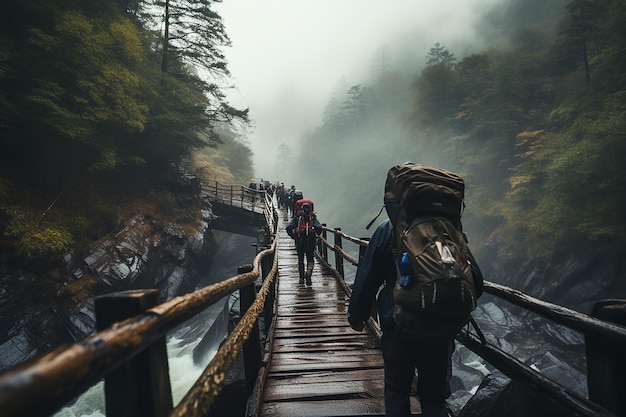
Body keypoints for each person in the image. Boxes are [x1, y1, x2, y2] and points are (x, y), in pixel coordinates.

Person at [347, 200, 484, 417]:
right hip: (440, 329)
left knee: (397, 391)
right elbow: (476, 282)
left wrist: (357, 315)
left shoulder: (387, 229)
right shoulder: (448, 229)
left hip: (398, 323)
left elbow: (368, 277)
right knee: (433, 397)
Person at [286, 201, 322, 285]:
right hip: (311, 242)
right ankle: (308, 273)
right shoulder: (313, 218)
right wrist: (313, 231)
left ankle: (302, 278)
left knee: (300, 260)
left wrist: (294, 234)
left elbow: (288, 228)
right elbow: (320, 229)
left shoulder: (297, 219)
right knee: (310, 259)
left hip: (300, 242)